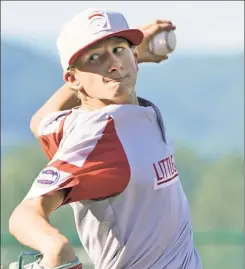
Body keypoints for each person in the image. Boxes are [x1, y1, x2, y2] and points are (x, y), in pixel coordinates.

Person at [9, 8, 202, 269]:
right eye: (95, 57)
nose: (113, 64)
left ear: (134, 55)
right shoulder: (96, 136)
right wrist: (55, 246)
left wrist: (124, 61)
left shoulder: (132, 113)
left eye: (119, 50)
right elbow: (24, 215)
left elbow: (40, 121)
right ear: (72, 79)